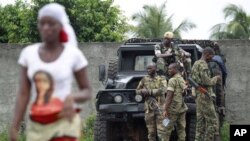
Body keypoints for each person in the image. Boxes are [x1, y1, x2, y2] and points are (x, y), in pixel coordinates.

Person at [9, 3, 91, 141]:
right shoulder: (28, 54)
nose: (46, 27)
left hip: (65, 123)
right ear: (38, 26)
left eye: (51, 23)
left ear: (60, 26)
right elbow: (23, 93)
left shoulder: (73, 55)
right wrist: (14, 127)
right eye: (42, 23)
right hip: (37, 125)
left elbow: (87, 91)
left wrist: (72, 98)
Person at [191, 47, 221, 141]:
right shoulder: (203, 64)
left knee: (200, 122)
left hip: (198, 95)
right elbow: (207, 81)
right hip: (204, 95)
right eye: (211, 56)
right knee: (212, 121)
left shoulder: (195, 63)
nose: (212, 58)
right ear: (207, 54)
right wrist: (216, 78)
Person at [136, 63, 167, 141]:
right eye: (147, 68)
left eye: (150, 68)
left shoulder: (162, 78)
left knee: (162, 131)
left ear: (156, 69)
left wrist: (149, 92)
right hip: (149, 109)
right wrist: (142, 91)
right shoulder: (144, 79)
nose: (148, 70)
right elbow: (137, 91)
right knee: (151, 132)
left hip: (160, 108)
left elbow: (163, 90)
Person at [163, 63, 188, 141]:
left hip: (173, 108)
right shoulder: (181, 78)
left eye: (170, 69)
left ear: (175, 69)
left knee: (166, 129)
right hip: (181, 107)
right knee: (181, 129)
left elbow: (169, 96)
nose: (168, 70)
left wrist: (165, 109)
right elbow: (184, 92)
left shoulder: (172, 80)